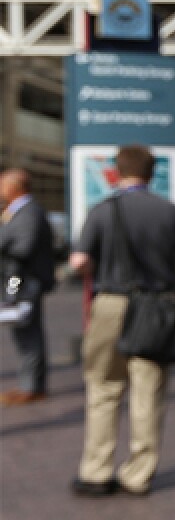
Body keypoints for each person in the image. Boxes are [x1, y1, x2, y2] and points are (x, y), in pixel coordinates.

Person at [69, 145, 175, 497]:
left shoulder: (102, 211)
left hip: (111, 303)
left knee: (103, 387)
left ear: (117, 171)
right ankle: (138, 473)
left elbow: (80, 261)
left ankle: (96, 471)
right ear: (151, 172)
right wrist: (165, 269)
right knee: (147, 391)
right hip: (156, 307)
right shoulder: (171, 212)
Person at [0, 169, 55, 406]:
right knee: (20, 330)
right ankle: (27, 383)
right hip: (16, 279)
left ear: (15, 187)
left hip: (23, 280)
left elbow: (22, 249)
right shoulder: (17, 211)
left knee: (27, 330)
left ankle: (32, 386)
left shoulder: (29, 212)